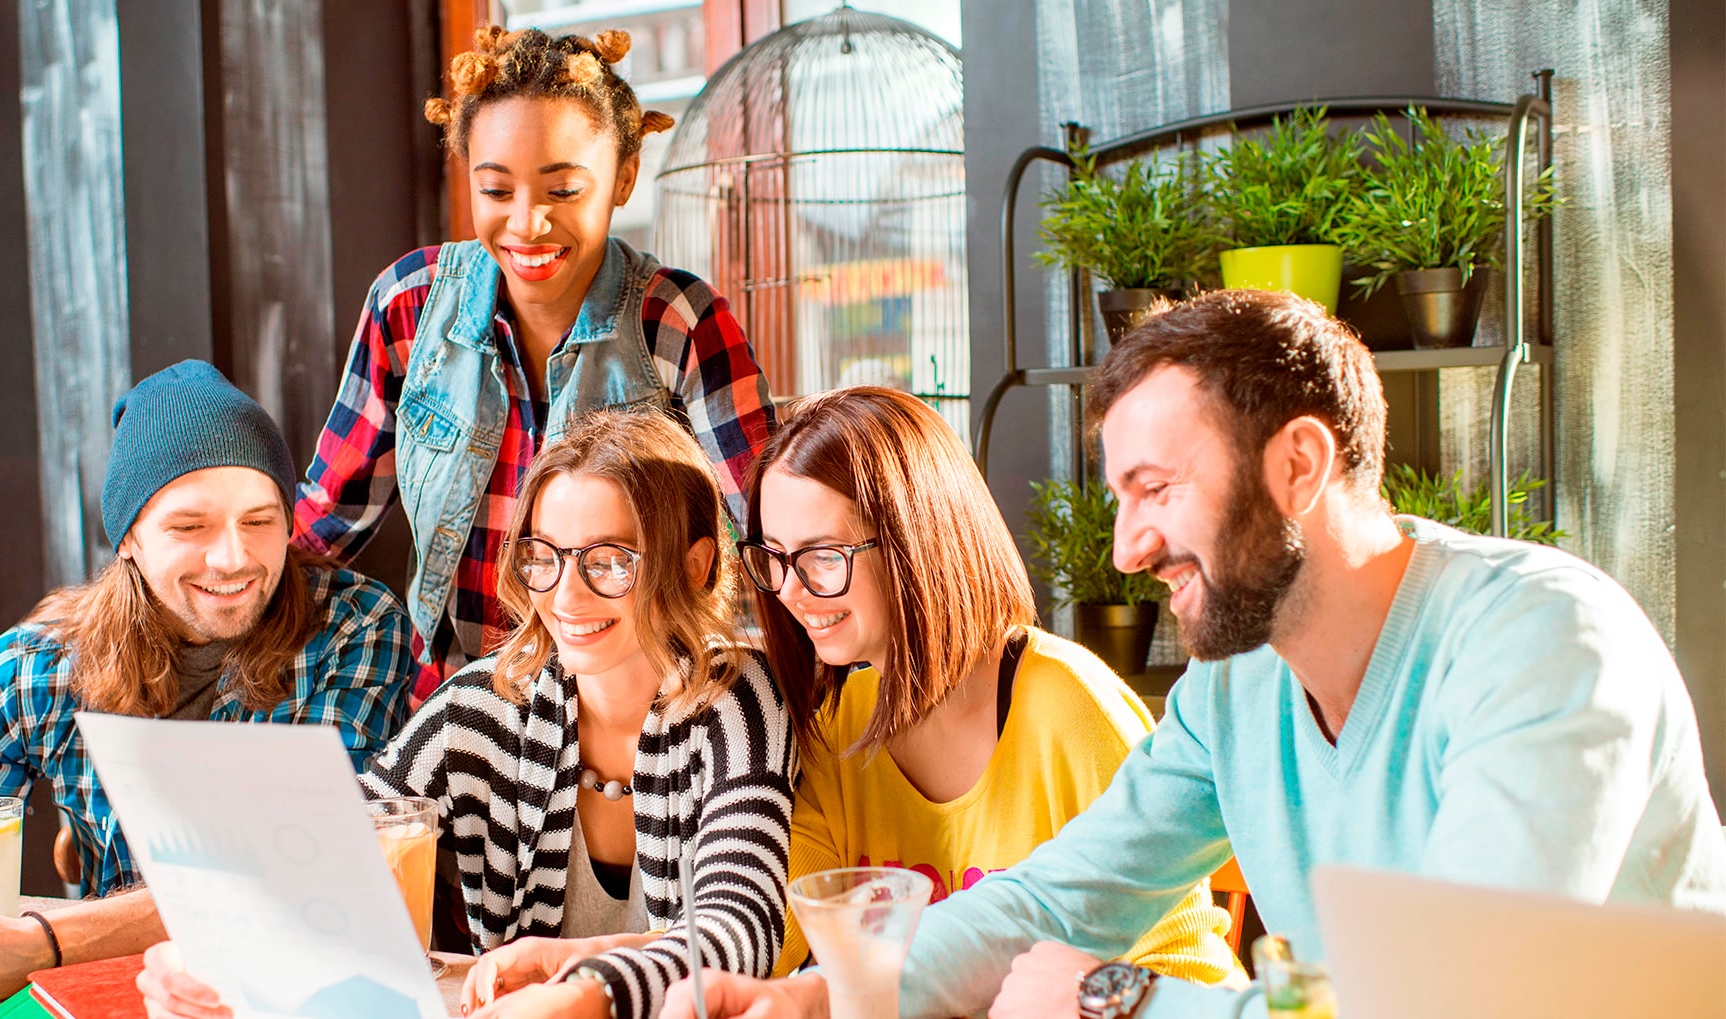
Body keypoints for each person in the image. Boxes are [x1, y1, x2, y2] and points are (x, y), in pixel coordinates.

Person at [663, 291, 1726, 1019]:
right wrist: (817, 996)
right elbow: (1054, 896)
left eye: (1155, 490)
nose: (1128, 546)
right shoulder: (1236, 683)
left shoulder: (1543, 643)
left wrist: (1114, 997)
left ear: (1298, 462)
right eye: (1121, 497)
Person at [139, 410, 796, 1019]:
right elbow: (333, 848)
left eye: (608, 562)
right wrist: (206, 944)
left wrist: (589, 993)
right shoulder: (481, 708)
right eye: (544, 557)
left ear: (694, 565)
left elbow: (738, 929)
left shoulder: (738, 703)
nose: (565, 594)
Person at [0, 361, 416, 1007]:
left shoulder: (353, 627)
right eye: (189, 526)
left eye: (259, 520)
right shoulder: (40, 664)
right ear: (128, 538)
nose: (234, 557)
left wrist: (39, 940)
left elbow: (296, 877)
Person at [293, 25, 776, 706]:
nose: (527, 225)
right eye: (496, 191)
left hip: (632, 716)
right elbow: (321, 528)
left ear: (624, 179)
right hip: (457, 710)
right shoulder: (409, 307)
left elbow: (768, 533)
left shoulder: (677, 322)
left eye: (562, 191)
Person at [736, 386, 1235, 984]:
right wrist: (649, 962)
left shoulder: (1068, 707)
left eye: (823, 555)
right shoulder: (837, 725)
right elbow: (772, 923)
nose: (790, 589)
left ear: (915, 541)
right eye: (773, 556)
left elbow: (1178, 961)